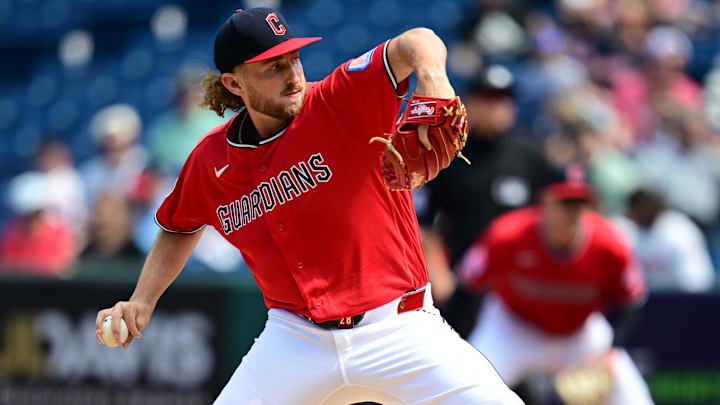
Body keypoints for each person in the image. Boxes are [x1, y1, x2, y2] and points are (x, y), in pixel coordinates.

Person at [95, 7, 522, 405]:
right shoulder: (211, 161)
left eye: (294, 59)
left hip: (399, 328)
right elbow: (178, 225)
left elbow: (417, 40)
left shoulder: (341, 100)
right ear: (234, 83)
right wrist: (142, 301)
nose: (293, 75)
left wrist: (432, 77)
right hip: (295, 340)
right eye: (273, 67)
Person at [453, 164, 654, 405]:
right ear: (545, 200)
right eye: (565, 200)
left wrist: (610, 350)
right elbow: (466, 288)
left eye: (579, 202)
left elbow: (631, 302)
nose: (572, 210)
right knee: (465, 391)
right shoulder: (508, 235)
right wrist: (456, 344)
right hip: (513, 328)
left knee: (634, 398)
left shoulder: (610, 244)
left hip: (578, 336)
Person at [417, 65, 551, 335]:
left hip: (517, 279)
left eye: (502, 99)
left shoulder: (530, 154)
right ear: (470, 102)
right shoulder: (448, 153)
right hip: (461, 277)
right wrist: (438, 271)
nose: (495, 107)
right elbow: (426, 220)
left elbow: (547, 217)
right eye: (487, 98)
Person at [614, 187, 715, 293]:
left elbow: (697, 282)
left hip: (678, 300)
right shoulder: (624, 229)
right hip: (640, 301)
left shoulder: (679, 230)